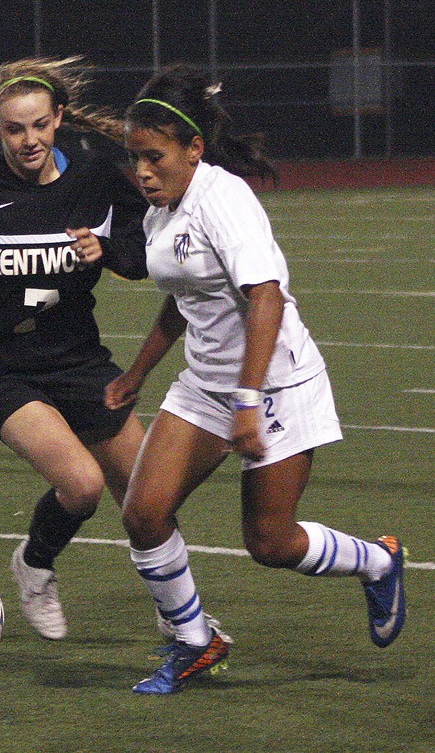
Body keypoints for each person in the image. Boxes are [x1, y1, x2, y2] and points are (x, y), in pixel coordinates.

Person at [105, 63, 407, 695]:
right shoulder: (161, 211)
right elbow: (184, 299)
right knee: (144, 513)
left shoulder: (224, 200)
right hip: (207, 384)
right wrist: (138, 371)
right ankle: (196, 642)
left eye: (155, 157)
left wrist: (247, 401)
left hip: (275, 384)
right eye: (135, 158)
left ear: (194, 149)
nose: (143, 172)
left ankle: (379, 561)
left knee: (269, 542)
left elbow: (265, 297)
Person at [0, 56, 148, 640]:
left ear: (59, 117)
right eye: (14, 129)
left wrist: (108, 253)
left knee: (148, 500)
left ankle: (184, 619)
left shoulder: (96, 179)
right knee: (82, 486)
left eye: (40, 125)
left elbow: (144, 258)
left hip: (80, 360)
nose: (29, 140)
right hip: (4, 366)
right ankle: (35, 565)